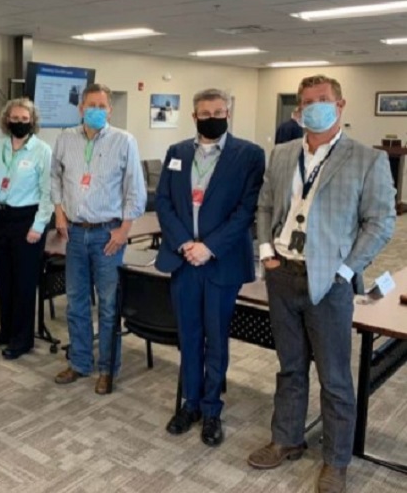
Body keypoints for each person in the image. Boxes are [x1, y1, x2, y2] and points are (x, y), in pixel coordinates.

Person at [248, 75, 395, 493]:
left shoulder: (367, 159)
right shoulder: (282, 154)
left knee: (335, 378)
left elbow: (380, 223)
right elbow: (264, 206)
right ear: (299, 110)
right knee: (290, 367)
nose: (315, 107)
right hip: (282, 274)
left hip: (329, 281)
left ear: (340, 105)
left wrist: (346, 271)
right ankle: (287, 439)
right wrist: (265, 252)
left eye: (323, 99)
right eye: (307, 101)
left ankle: (336, 460)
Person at [155, 88, 265, 446]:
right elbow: (164, 203)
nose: (212, 117)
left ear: (228, 113)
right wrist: (186, 244)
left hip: (221, 263)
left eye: (219, 112)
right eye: (205, 113)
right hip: (184, 260)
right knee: (188, 337)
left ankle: (212, 409)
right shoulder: (177, 153)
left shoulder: (249, 154)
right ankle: (190, 404)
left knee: (216, 339)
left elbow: (246, 210)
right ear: (194, 116)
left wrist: (209, 248)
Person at [51, 83, 146, 394]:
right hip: (75, 232)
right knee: (76, 303)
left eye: (102, 106)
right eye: (90, 105)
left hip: (108, 234)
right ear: (81, 109)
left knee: (107, 305)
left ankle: (107, 368)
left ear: (110, 110)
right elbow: (54, 176)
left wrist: (124, 230)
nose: (96, 110)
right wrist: (59, 212)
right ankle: (80, 362)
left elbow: (135, 190)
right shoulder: (65, 138)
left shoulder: (124, 141)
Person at [0, 98, 53, 359]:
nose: (19, 122)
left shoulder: (42, 150)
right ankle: (6, 331)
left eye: (24, 119)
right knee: (4, 278)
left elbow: (48, 192)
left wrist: (39, 226)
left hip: (27, 220)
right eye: (15, 118)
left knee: (24, 282)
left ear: (32, 121)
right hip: (0, 217)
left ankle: (22, 339)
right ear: (6, 120)